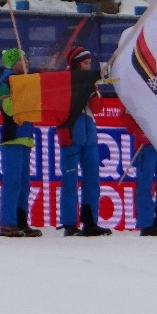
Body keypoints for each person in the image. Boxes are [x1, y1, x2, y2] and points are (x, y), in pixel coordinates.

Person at [57, 46, 111, 237]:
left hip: (90, 138)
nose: (89, 66)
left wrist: (91, 92)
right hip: (71, 136)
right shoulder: (64, 80)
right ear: (77, 63)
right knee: (70, 180)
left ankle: (90, 221)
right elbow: (61, 107)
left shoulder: (91, 82)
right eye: (86, 63)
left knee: (92, 180)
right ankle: (70, 224)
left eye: (90, 63)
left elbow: (98, 108)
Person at [0, 48, 41, 238]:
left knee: (24, 183)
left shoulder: (27, 80)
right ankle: (7, 222)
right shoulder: (6, 81)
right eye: (23, 59)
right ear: (14, 62)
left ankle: (21, 220)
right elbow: (7, 108)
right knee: (12, 181)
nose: (27, 62)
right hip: (13, 136)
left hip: (25, 137)